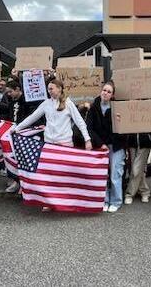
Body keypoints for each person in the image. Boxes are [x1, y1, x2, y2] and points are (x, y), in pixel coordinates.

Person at [13, 79, 92, 211]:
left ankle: (66, 200)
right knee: (50, 175)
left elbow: (80, 122)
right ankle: (49, 202)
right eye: (48, 89)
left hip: (65, 145)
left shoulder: (68, 103)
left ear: (59, 88)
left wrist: (87, 139)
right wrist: (17, 128)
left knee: (65, 175)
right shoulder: (46, 104)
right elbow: (32, 117)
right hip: (49, 145)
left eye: (51, 88)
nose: (49, 91)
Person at [87, 82, 126, 213]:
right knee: (103, 175)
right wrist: (100, 143)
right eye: (104, 90)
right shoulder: (93, 107)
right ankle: (105, 200)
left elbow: (120, 130)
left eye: (109, 92)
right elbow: (90, 129)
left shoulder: (117, 108)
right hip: (100, 146)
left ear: (112, 95)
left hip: (115, 145)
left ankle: (116, 201)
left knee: (115, 174)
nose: (106, 93)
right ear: (100, 91)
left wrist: (120, 120)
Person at [0, 80, 40, 193]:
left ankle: (25, 184)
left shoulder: (28, 102)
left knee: (24, 160)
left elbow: (31, 118)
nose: (9, 94)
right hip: (14, 135)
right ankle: (16, 181)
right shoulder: (11, 102)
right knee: (14, 158)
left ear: (17, 89)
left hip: (25, 135)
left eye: (10, 92)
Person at [124, 132, 151, 204]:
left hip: (145, 141)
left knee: (136, 170)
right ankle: (144, 191)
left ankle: (129, 194)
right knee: (139, 169)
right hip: (131, 140)